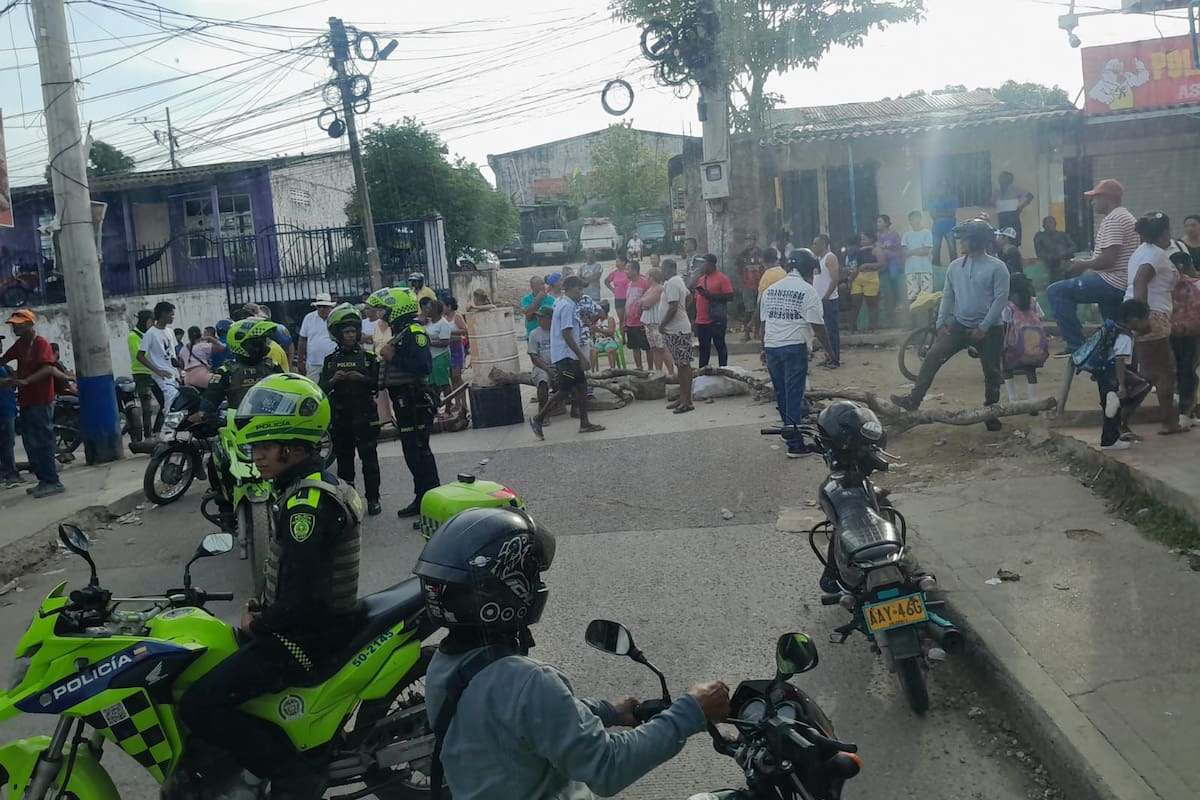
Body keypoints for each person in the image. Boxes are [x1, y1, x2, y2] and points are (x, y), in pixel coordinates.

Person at [416, 507, 730, 800]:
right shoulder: (531, 682)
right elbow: (607, 766)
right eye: (532, 575)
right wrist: (691, 712)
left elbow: (518, 721)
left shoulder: (444, 666)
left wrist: (607, 711)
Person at [180, 373, 361, 800]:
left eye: (263, 448)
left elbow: (302, 599)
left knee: (198, 704)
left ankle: (290, 775)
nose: (256, 457)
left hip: (306, 639)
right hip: (309, 625)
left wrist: (257, 625)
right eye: (255, 448)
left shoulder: (307, 505)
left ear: (291, 448)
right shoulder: (306, 488)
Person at [891, 219, 1011, 431]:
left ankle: (991, 411)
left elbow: (1000, 300)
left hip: (990, 329)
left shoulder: (997, 267)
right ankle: (914, 399)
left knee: (991, 371)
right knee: (933, 356)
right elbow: (948, 294)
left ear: (976, 241)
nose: (960, 243)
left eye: (964, 239)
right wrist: (940, 322)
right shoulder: (955, 266)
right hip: (960, 325)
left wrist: (983, 327)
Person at [1048, 180, 1138, 355]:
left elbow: (1108, 260)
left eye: (1096, 198)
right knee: (1115, 330)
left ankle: (1076, 345)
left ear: (1108, 198)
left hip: (1112, 281)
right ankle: (1119, 363)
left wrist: (1083, 265)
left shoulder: (1113, 220)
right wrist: (1087, 262)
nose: (1092, 202)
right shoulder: (1124, 216)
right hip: (1122, 281)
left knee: (1057, 291)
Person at [759, 250, 834, 458]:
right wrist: (830, 351)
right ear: (807, 269)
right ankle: (795, 444)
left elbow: (763, 323)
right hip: (793, 347)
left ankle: (789, 431)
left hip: (772, 346)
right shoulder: (808, 291)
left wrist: (763, 348)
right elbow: (818, 326)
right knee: (794, 395)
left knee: (782, 393)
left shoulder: (770, 290)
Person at [378, 287, 441, 517]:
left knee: (420, 452)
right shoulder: (402, 332)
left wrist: (393, 356)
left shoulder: (415, 333)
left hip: (416, 401)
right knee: (411, 452)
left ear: (397, 310)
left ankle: (431, 502)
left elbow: (423, 367)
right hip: (405, 403)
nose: (381, 315)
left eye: (385, 310)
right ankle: (421, 497)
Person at [319, 304, 383, 516]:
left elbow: (378, 384)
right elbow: (320, 389)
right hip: (340, 417)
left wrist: (362, 378)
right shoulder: (331, 361)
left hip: (364, 415)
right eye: (346, 332)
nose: (350, 336)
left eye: (353, 332)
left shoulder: (368, 358)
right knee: (345, 464)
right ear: (338, 334)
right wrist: (333, 380)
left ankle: (373, 499)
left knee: (370, 460)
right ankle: (349, 501)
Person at [1126, 211, 1183, 435]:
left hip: (1143, 314)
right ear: (1164, 233)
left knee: (1150, 372)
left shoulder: (1141, 251)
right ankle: (1123, 419)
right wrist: (1142, 318)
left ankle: (1168, 421)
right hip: (1152, 316)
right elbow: (1141, 280)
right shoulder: (1157, 255)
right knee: (1160, 373)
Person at [529, 276, 605, 438]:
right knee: (564, 390)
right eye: (579, 288)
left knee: (581, 386)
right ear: (569, 289)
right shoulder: (567, 307)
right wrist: (581, 356)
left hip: (568, 356)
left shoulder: (566, 304)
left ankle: (584, 423)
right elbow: (566, 333)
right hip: (566, 356)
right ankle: (538, 418)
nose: (581, 292)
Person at [1, 310, 62, 497]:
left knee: (42, 441)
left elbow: (48, 368)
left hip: (40, 400)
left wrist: (26, 381)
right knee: (31, 443)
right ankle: (44, 480)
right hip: (27, 400)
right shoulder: (20, 345)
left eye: (19, 323)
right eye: (13, 324)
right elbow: (4, 359)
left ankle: (52, 481)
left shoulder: (41, 343)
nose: (15, 327)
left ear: (29, 324)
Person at [1084, 300, 1153, 450]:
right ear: (1134, 320)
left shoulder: (1113, 328)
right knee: (1115, 407)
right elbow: (1119, 360)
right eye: (1144, 319)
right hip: (1114, 375)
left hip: (1102, 373)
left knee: (1109, 407)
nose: (1146, 322)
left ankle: (1110, 438)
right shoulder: (1125, 337)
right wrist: (1121, 385)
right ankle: (1110, 441)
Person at [1002, 273, 1048, 408]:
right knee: (1030, 370)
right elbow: (1041, 318)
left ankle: (1013, 399)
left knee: (1006, 369)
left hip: (1014, 345)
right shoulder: (1034, 302)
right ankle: (1032, 401)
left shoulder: (1008, 305)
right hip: (1034, 345)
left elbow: (1006, 324)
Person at [136, 301, 181, 426]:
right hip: (161, 376)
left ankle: (159, 433)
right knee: (168, 405)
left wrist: (180, 370)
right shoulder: (150, 334)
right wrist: (157, 371)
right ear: (163, 314)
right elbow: (140, 356)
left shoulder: (170, 332)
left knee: (175, 404)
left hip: (173, 374)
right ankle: (165, 433)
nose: (173, 317)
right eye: (171, 315)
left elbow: (173, 354)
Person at [661, 258, 695, 414]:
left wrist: (662, 324)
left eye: (663, 269)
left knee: (684, 365)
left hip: (677, 330)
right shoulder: (678, 281)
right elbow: (689, 297)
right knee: (680, 365)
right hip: (676, 329)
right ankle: (682, 398)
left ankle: (687, 401)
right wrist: (684, 310)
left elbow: (673, 307)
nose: (661, 273)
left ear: (668, 269)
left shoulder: (673, 283)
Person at [1169, 250, 1199, 425]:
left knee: (1178, 370)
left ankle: (1185, 413)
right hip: (1192, 334)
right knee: (1189, 371)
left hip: (1170, 332)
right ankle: (1185, 413)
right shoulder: (1195, 284)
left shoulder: (1165, 284)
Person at [690, 254, 733, 368]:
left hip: (716, 319)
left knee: (720, 346)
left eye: (704, 263)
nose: (702, 266)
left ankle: (723, 369)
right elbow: (696, 300)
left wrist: (711, 296)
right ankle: (702, 372)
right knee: (704, 349)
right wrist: (694, 319)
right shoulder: (701, 279)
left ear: (711, 264)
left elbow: (730, 296)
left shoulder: (722, 278)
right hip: (701, 320)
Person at [128, 308, 158, 442]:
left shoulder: (149, 334)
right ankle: (147, 435)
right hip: (141, 374)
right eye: (151, 321)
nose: (153, 324)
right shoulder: (133, 336)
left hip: (153, 373)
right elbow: (140, 355)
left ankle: (156, 431)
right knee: (147, 407)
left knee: (165, 403)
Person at [811, 235, 841, 368]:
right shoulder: (817, 259)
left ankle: (835, 359)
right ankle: (828, 356)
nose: (813, 247)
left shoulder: (830, 258)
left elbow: (835, 279)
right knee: (823, 331)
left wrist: (827, 296)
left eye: (815, 244)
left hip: (828, 300)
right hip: (819, 300)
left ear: (823, 244)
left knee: (831, 331)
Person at [639, 268, 674, 377]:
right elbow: (640, 303)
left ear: (652, 277)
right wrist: (643, 302)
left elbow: (647, 303)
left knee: (663, 348)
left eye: (648, 276)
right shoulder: (649, 289)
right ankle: (658, 372)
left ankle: (671, 372)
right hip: (649, 323)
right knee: (654, 348)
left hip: (657, 322)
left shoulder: (659, 288)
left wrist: (643, 302)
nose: (646, 278)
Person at [423, 299, 455, 412]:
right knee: (432, 384)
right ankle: (435, 408)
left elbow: (445, 342)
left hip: (440, 356)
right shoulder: (429, 323)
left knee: (444, 383)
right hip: (431, 357)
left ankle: (448, 408)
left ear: (435, 310)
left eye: (428, 308)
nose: (426, 310)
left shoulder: (443, 324)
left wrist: (430, 343)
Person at [298, 293, 338, 380]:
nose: (322, 309)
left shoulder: (336, 317)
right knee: (313, 389)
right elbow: (302, 340)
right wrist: (300, 362)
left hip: (334, 362)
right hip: (313, 363)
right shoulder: (309, 318)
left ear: (330, 307)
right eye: (319, 306)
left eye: (324, 306)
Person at [848, 231, 882, 332]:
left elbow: (881, 263)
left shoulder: (876, 250)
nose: (862, 241)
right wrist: (850, 279)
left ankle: (873, 327)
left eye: (864, 239)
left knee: (871, 303)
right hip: (858, 277)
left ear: (871, 239)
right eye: (861, 239)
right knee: (855, 303)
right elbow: (854, 266)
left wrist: (867, 265)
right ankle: (852, 327)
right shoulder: (858, 251)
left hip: (871, 277)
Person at [991, 171, 1034, 245]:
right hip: (1002, 217)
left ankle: (1013, 252)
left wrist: (1021, 207)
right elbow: (991, 202)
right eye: (1001, 178)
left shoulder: (1015, 189)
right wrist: (997, 206)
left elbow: (1030, 196)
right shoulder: (996, 191)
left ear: (1010, 181)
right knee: (1003, 237)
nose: (1001, 180)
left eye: (1004, 178)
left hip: (1013, 216)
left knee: (1015, 239)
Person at [527, 306, 555, 419]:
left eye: (541, 317)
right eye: (538, 317)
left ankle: (575, 407)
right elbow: (534, 356)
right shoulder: (534, 334)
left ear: (550, 318)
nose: (538, 319)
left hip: (557, 365)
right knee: (543, 380)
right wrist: (548, 369)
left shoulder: (557, 332)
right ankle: (543, 411)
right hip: (542, 367)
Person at [623, 260, 651, 371]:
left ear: (635, 270)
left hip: (642, 322)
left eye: (628, 269)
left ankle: (650, 368)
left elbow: (649, 300)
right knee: (634, 347)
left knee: (647, 347)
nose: (626, 272)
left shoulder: (644, 282)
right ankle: (639, 367)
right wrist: (625, 321)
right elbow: (627, 302)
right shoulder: (629, 284)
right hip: (630, 322)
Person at [901, 211, 934, 302]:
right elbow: (904, 252)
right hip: (911, 270)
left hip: (925, 269)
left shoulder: (927, 233)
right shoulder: (906, 235)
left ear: (919, 219)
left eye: (914, 219)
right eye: (910, 220)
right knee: (912, 298)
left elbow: (925, 251)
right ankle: (915, 316)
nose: (912, 222)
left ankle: (929, 316)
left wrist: (911, 251)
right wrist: (918, 250)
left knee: (927, 298)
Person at [876, 215, 904, 321]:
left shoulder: (894, 234)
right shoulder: (878, 236)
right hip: (882, 262)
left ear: (886, 223)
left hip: (893, 260)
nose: (877, 224)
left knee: (893, 277)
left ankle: (898, 301)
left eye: (880, 221)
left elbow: (899, 247)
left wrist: (887, 247)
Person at [444, 297, 469, 415]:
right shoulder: (444, 318)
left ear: (449, 306)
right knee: (452, 378)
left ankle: (464, 404)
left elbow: (465, 330)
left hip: (457, 348)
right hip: (448, 348)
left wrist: (450, 332)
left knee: (457, 377)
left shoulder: (456, 317)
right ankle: (458, 403)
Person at [735, 233, 764, 334]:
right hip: (747, 286)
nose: (749, 242)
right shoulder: (741, 255)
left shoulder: (761, 254)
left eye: (751, 240)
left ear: (755, 241)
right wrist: (741, 284)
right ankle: (747, 332)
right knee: (749, 309)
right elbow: (738, 271)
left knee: (759, 309)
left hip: (760, 286)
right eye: (747, 240)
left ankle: (757, 331)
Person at [1033, 216, 1076, 284]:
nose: (1049, 225)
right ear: (1043, 226)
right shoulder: (1040, 236)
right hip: (1051, 264)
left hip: (1066, 261)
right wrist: (1052, 257)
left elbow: (1073, 247)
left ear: (1055, 225)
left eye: (1051, 223)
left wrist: (1064, 253)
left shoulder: (1063, 234)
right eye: (1047, 224)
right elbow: (1039, 253)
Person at [0, 342, 19, 489]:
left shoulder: (5, 367)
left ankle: (8, 473)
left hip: (8, 408)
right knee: (6, 443)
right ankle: (10, 474)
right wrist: (10, 380)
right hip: (3, 411)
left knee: (8, 443)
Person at [931, 181, 959, 267]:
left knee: (952, 249)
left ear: (948, 189)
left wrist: (939, 214)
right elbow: (932, 215)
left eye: (944, 188)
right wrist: (945, 214)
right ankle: (936, 267)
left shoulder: (953, 199)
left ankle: (955, 267)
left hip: (950, 228)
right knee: (935, 250)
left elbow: (952, 213)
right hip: (936, 229)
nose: (942, 190)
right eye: (940, 188)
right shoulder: (933, 200)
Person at [591, 300, 621, 370]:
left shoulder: (610, 319)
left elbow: (611, 332)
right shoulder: (596, 320)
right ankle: (591, 372)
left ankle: (612, 370)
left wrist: (599, 330)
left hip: (610, 341)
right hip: (599, 342)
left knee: (610, 350)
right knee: (592, 351)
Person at [604, 257, 632, 329]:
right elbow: (606, 281)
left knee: (630, 318)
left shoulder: (628, 272)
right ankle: (622, 338)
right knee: (621, 319)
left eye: (618, 261)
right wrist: (612, 289)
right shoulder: (615, 273)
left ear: (623, 262)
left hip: (628, 297)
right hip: (619, 298)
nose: (616, 263)